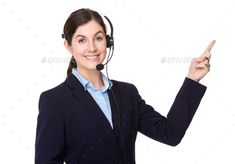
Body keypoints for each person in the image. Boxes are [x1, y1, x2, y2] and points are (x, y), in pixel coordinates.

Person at [35, 8, 216, 164]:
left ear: (108, 42)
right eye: (82, 40)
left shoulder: (127, 93)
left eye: (98, 38)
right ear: (68, 46)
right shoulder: (54, 100)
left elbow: (170, 133)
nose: (92, 48)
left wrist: (192, 80)